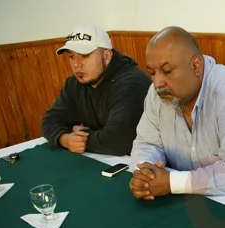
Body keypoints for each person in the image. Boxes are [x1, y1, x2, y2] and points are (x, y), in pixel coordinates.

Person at [129, 27, 225, 199]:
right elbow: (147, 144)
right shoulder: (157, 94)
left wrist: (171, 182)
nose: (158, 82)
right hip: (199, 199)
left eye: (167, 71)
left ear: (196, 65)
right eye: (152, 73)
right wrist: (146, 175)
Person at [42, 24, 151, 156]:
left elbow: (118, 142)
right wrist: (65, 139)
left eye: (85, 56)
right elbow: (50, 121)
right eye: (71, 57)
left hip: (142, 165)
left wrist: (84, 134)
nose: (77, 64)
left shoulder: (131, 83)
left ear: (107, 56)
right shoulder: (75, 83)